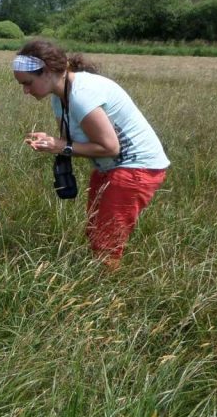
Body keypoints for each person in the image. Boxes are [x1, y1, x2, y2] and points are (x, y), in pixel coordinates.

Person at [13, 39, 169, 268]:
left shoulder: (82, 94)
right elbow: (71, 141)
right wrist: (54, 142)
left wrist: (60, 146)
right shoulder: (59, 96)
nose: (26, 91)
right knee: (97, 231)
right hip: (110, 167)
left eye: (28, 83)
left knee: (106, 241)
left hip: (136, 167)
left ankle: (110, 293)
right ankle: (103, 279)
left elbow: (110, 147)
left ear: (47, 71)